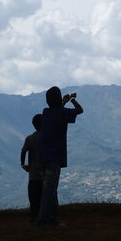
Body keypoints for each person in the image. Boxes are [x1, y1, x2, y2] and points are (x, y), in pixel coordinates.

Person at [37, 86, 83, 227]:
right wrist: (73, 100)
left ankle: (52, 219)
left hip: (43, 156)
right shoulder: (62, 112)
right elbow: (79, 110)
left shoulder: (46, 112)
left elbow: (57, 111)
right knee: (50, 191)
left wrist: (64, 102)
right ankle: (43, 221)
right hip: (54, 156)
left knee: (49, 190)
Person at [20, 113, 43, 224]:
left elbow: (23, 151)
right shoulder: (47, 137)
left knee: (34, 198)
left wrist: (23, 164)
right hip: (46, 173)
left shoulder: (30, 138)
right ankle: (45, 217)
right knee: (46, 197)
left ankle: (34, 218)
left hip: (33, 174)